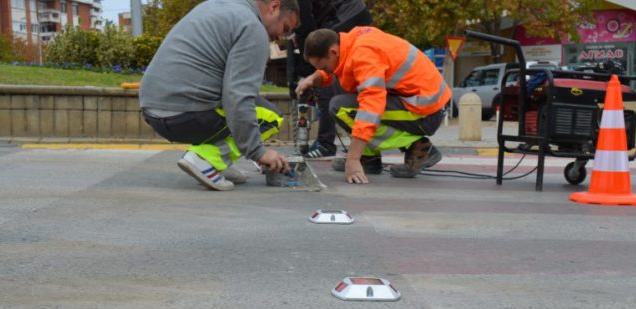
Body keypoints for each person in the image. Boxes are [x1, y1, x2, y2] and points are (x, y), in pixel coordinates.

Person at [139, 0, 300, 191]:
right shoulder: (252, 28)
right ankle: (204, 160)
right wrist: (258, 152)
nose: (281, 36)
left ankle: (218, 165)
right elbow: (238, 97)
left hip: (152, 110)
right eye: (286, 28)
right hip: (184, 114)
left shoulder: (216, 5)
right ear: (274, 6)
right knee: (270, 116)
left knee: (239, 107)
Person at [296, 27, 450, 183]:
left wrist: (353, 159)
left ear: (333, 52)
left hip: (426, 111)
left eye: (323, 68)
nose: (325, 71)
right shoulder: (353, 41)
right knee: (340, 92)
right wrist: (316, 77)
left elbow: (371, 107)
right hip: (422, 101)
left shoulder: (364, 55)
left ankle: (419, 147)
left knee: (341, 108)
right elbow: (347, 72)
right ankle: (370, 158)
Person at [289, 0, 372, 159]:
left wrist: (308, 72)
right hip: (344, 13)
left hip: (345, 14)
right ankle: (336, 142)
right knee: (328, 70)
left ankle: (326, 143)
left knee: (323, 65)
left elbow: (304, 25)